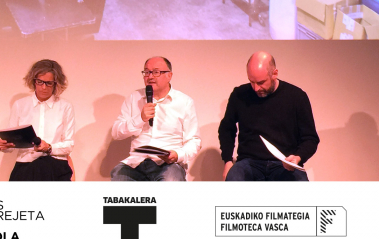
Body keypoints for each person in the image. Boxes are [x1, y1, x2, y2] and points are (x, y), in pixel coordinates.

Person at [219, 51, 320, 181]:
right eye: (251, 82)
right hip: (248, 162)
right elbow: (227, 129)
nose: (256, 88)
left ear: (274, 74)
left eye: (261, 82)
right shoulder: (239, 94)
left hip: (284, 164)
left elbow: (310, 138)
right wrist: (227, 161)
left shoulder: (297, 97)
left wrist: (297, 157)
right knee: (234, 178)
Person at [111, 56, 201, 181]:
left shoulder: (184, 102)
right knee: (118, 175)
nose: (150, 76)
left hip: (168, 164)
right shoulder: (134, 98)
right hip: (136, 163)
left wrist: (177, 155)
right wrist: (140, 119)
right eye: (147, 72)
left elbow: (194, 141)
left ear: (169, 76)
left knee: (171, 180)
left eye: (156, 72)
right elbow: (116, 133)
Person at [0, 59, 75, 181]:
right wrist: (5, 146)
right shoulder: (20, 105)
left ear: (56, 84)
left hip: (56, 168)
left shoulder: (65, 106)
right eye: (40, 82)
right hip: (25, 167)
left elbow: (69, 144)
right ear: (33, 81)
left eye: (49, 83)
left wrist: (49, 147)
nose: (43, 87)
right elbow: (12, 144)